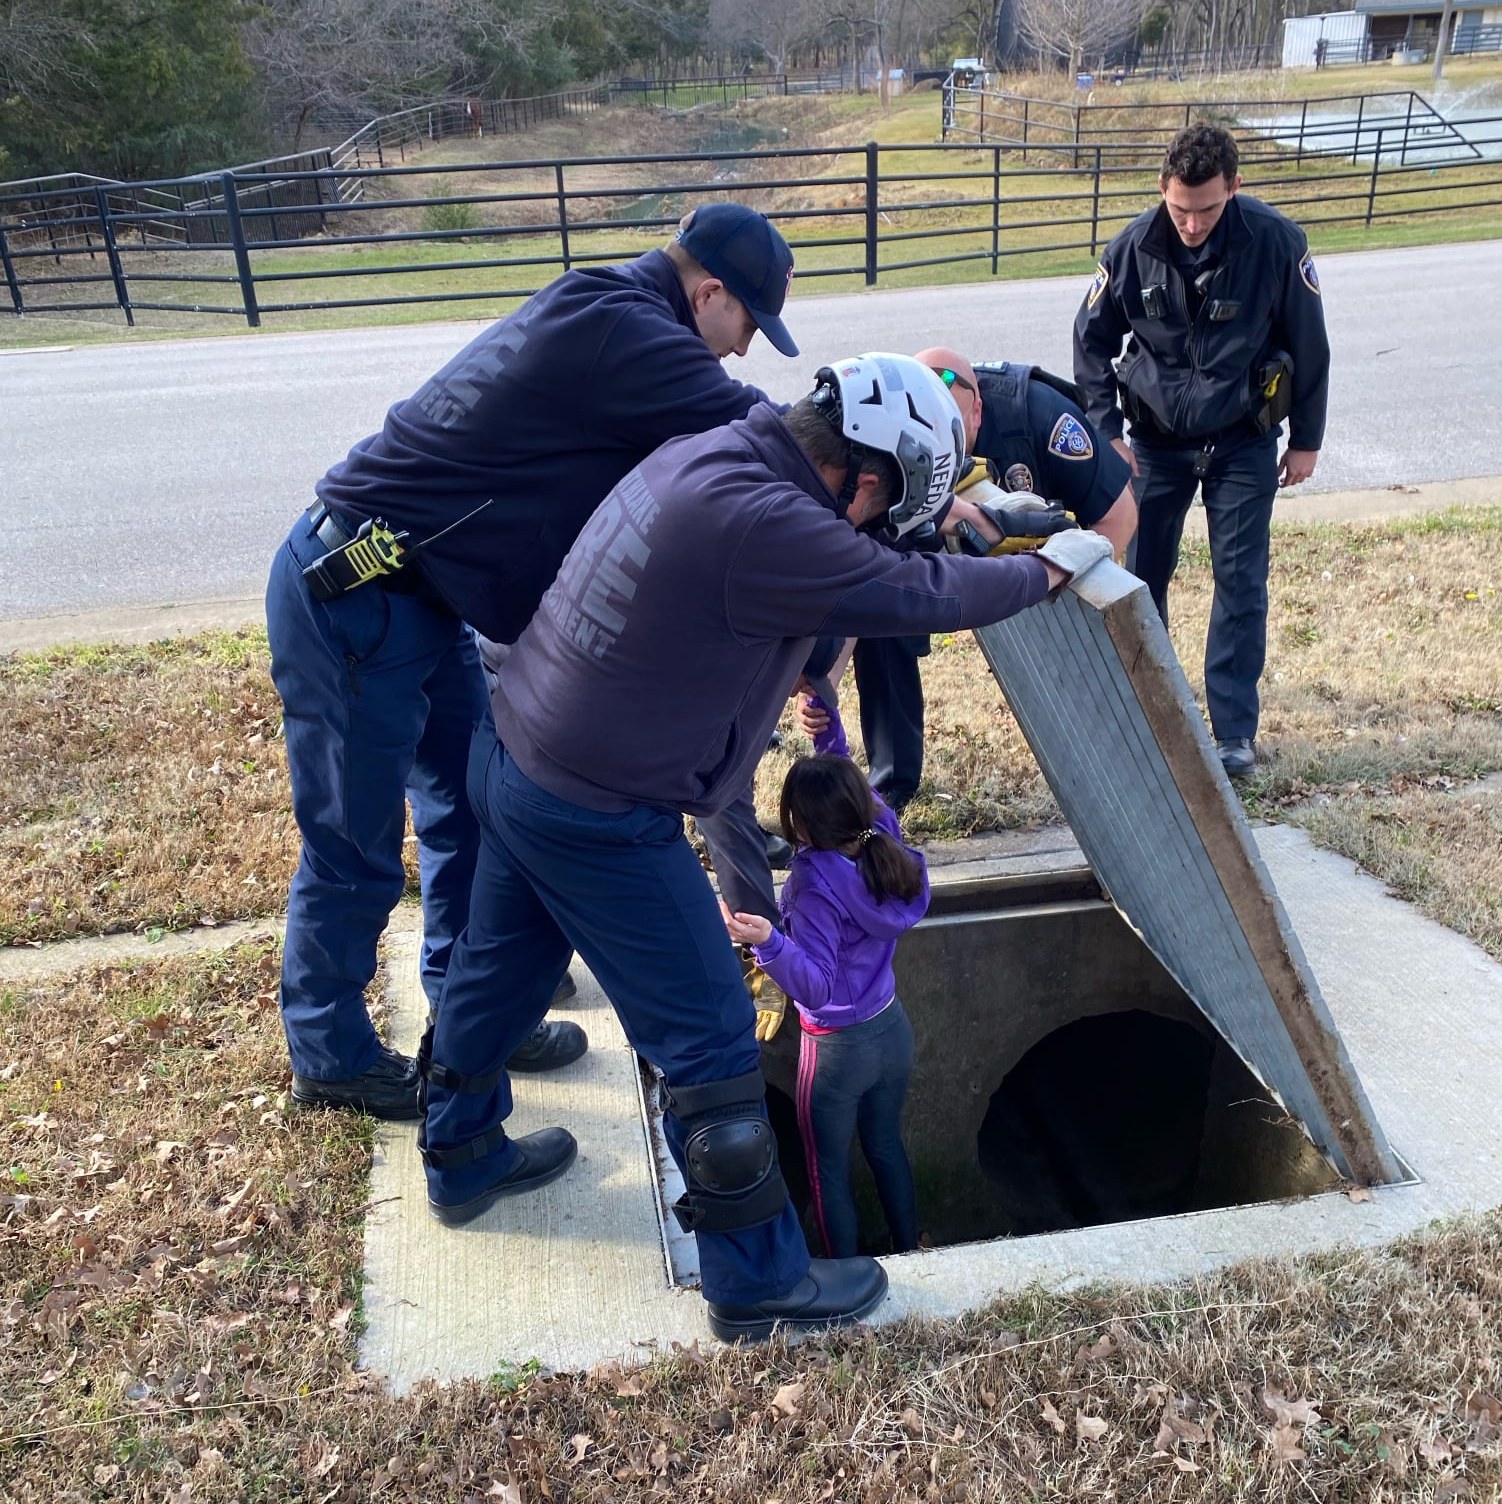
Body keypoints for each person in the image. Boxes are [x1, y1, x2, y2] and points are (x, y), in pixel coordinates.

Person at [418, 353, 1112, 1341]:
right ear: (863, 480)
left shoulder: (728, 451)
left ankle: (457, 1152)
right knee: (706, 1038)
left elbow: (844, 578)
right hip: (599, 807)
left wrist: (950, 525)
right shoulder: (775, 524)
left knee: (497, 968)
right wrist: (1040, 570)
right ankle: (755, 1283)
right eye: (884, 510)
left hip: (516, 748)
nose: (877, 527)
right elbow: (908, 595)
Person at [266, 203, 802, 1120]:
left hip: (423, 597)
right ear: (708, 292)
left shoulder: (606, 308)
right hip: (354, 592)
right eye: (747, 324)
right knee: (353, 845)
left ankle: (468, 1002)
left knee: (468, 814)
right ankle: (329, 1051)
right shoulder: (628, 330)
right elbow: (773, 439)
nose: (743, 348)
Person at [1073, 123, 1329, 777]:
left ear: (1235, 189)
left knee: (1241, 584)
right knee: (1141, 581)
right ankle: (1155, 714)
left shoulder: (1276, 243)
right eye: (1180, 208)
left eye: (1207, 209)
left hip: (1244, 441)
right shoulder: (1131, 247)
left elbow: (1311, 345)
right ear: (1163, 189)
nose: (1191, 223)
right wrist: (1106, 432)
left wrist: (1306, 441)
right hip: (1155, 445)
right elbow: (1091, 341)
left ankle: (1234, 734)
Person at [848, 346, 1138, 813]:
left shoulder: (1039, 415)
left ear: (978, 408)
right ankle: (892, 779)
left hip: (1039, 543)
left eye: (956, 430)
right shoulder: (895, 423)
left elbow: (1118, 517)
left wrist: (1068, 589)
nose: (945, 441)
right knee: (884, 604)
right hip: (939, 524)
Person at [723, 692, 929, 1260]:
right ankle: (910, 1247)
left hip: (836, 1049)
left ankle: (843, 1271)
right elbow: (846, 787)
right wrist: (827, 733)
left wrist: (767, 942)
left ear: (802, 827)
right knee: (887, 1144)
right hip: (892, 1030)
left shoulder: (811, 886)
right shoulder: (879, 832)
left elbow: (813, 984)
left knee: (826, 1170)